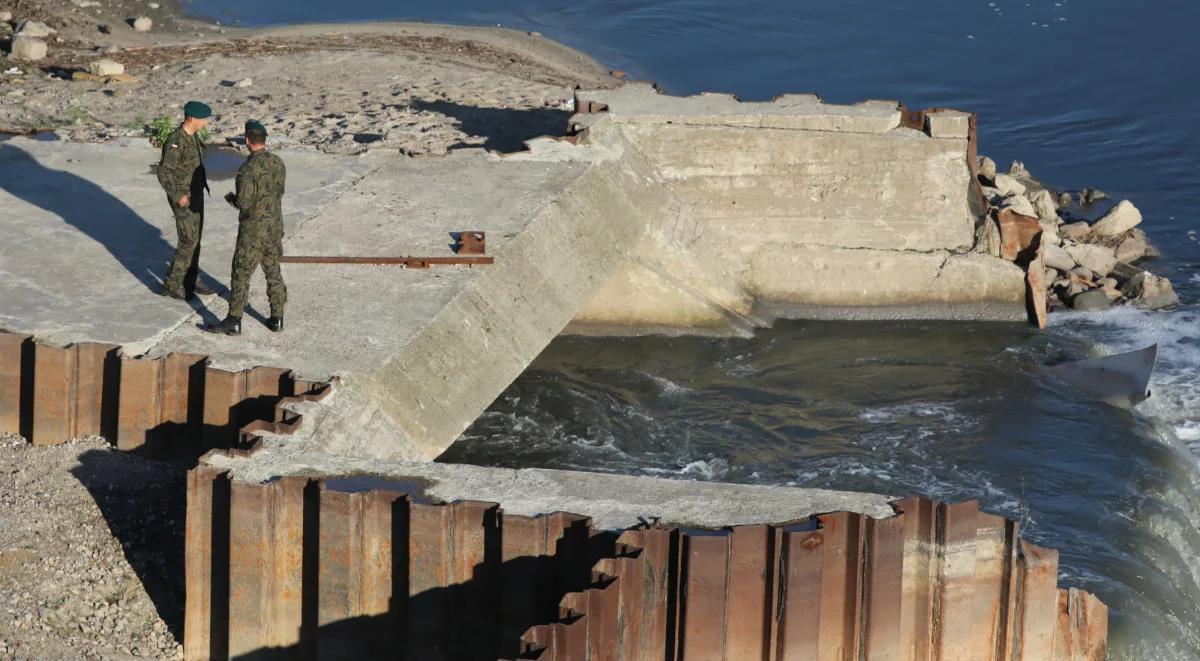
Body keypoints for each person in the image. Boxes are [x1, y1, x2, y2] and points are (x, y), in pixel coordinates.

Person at [206, 120, 287, 335]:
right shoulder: (278, 163)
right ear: (264, 140)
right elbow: (279, 192)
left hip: (253, 232)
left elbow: (244, 202)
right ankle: (276, 317)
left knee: (240, 275)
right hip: (274, 228)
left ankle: (234, 320)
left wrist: (231, 199)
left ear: (247, 141)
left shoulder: (247, 169)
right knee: (273, 273)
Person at [157, 100, 215, 300]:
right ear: (192, 118)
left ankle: (191, 278)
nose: (205, 123)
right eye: (203, 119)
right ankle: (172, 284)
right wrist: (178, 196)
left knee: (195, 240)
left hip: (196, 195)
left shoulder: (193, 137)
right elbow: (164, 172)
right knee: (188, 240)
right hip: (184, 198)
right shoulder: (177, 141)